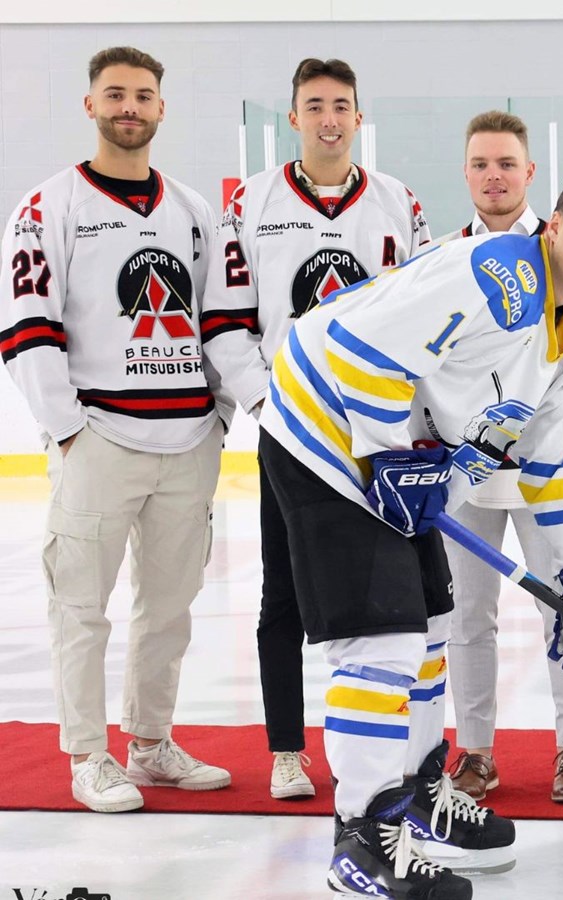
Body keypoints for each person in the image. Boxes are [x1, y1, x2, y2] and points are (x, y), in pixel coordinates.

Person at [259, 162, 563, 895]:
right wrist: (386, 457)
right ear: (556, 225)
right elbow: (360, 349)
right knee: (381, 638)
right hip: (323, 428)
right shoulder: (496, 275)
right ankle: (364, 836)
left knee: (434, 625)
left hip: (405, 454)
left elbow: (551, 460)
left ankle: (416, 796)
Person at [0, 46, 230, 814]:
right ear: (90, 106)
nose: (129, 106)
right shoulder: (49, 205)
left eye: (142, 95)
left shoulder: (194, 212)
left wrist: (218, 419)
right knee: (81, 608)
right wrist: (70, 432)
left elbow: (222, 324)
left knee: (168, 609)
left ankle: (151, 742)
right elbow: (28, 327)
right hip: (99, 438)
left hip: (186, 443)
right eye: (114, 94)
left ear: (162, 109)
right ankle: (88, 755)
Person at [203, 58, 431, 801]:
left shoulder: (399, 201)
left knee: (392, 591)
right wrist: (269, 405)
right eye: (314, 105)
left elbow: (425, 321)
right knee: (285, 592)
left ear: (358, 117)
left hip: (376, 431)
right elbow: (226, 320)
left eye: (341, 105)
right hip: (294, 436)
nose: (329, 117)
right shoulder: (251, 201)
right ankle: (285, 750)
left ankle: (395, 747)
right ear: (293, 116)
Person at [438, 110, 563, 804]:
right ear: (467, 173)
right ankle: (476, 752)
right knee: (468, 618)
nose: (495, 175)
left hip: (558, 474)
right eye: (482, 163)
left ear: (530, 174)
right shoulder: (443, 261)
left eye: (507, 164)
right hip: (466, 477)